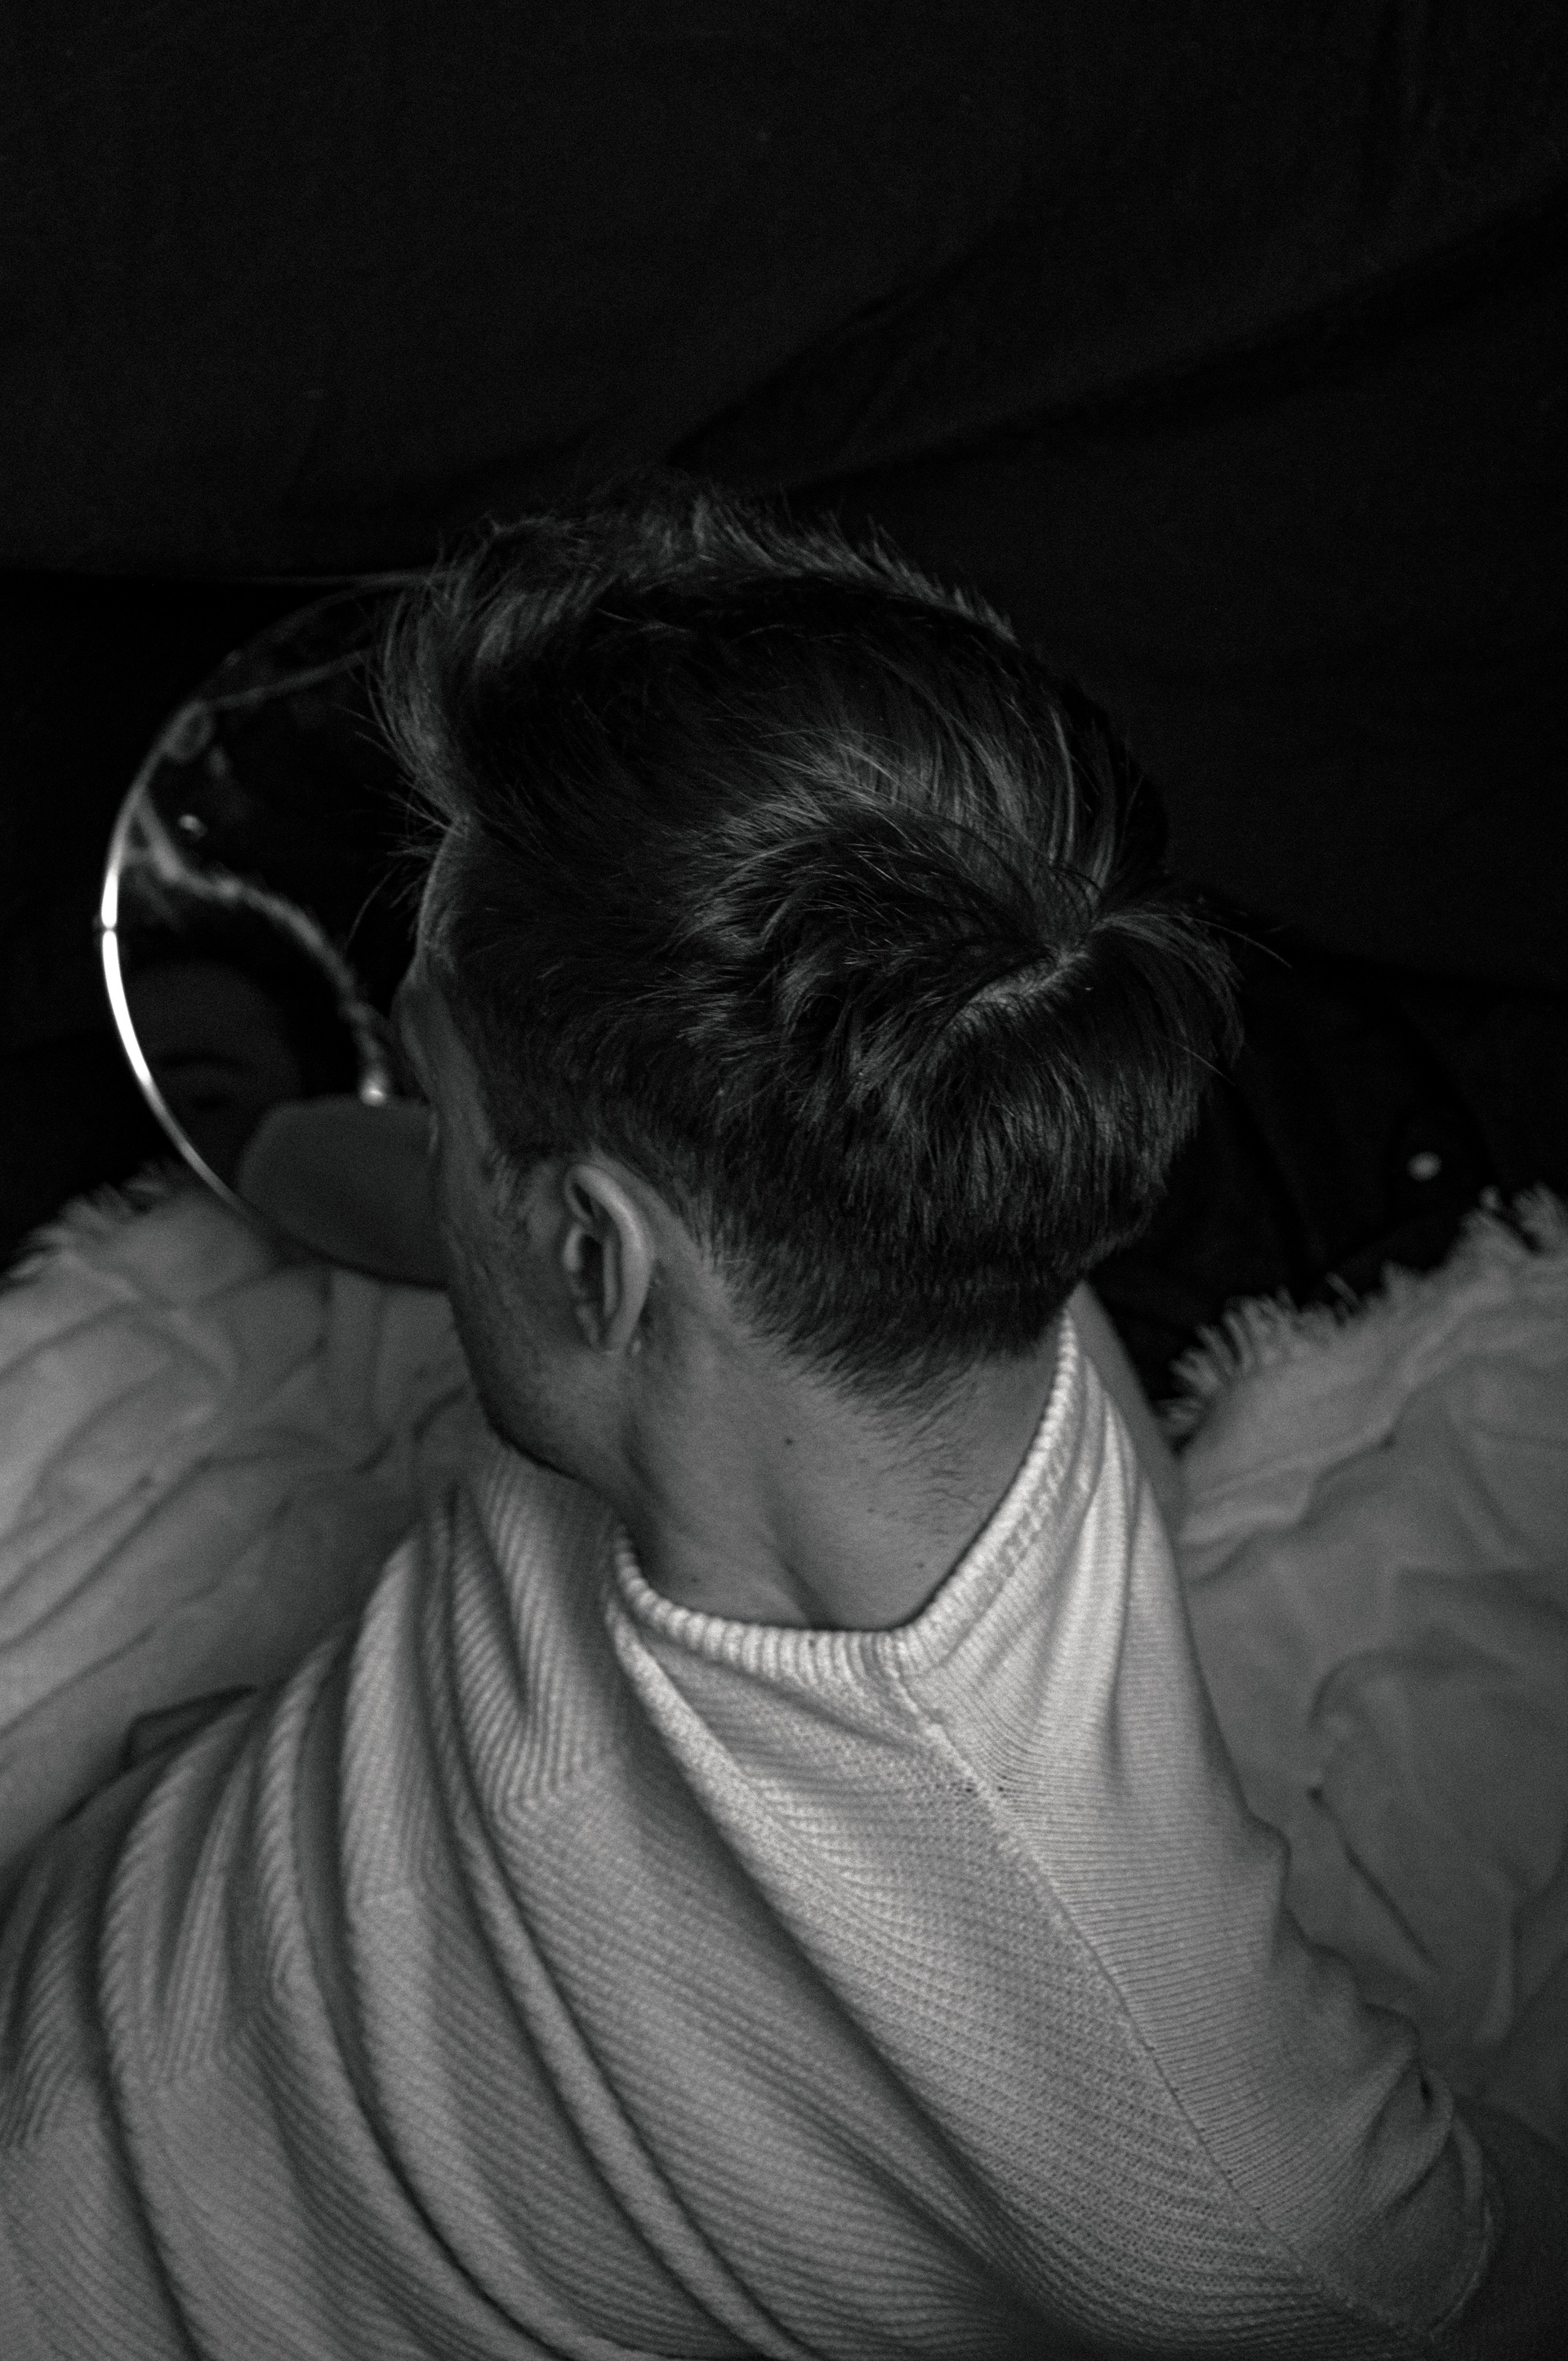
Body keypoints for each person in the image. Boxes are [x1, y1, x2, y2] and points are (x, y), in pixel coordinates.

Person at [0, 481, 1561, 2356]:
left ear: (598, 1259)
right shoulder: (922, 1198)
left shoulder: (1229, 2191)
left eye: (437, 1097)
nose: (418, 1143)